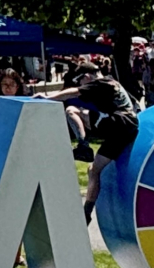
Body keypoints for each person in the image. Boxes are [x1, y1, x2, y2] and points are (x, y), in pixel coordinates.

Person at [38, 62, 138, 222]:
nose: (81, 85)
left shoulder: (103, 82)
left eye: (81, 81)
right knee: (93, 170)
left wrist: (48, 98)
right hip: (124, 131)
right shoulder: (113, 83)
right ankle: (86, 212)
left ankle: (83, 146)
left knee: (71, 110)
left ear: (86, 77)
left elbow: (74, 93)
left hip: (118, 123)